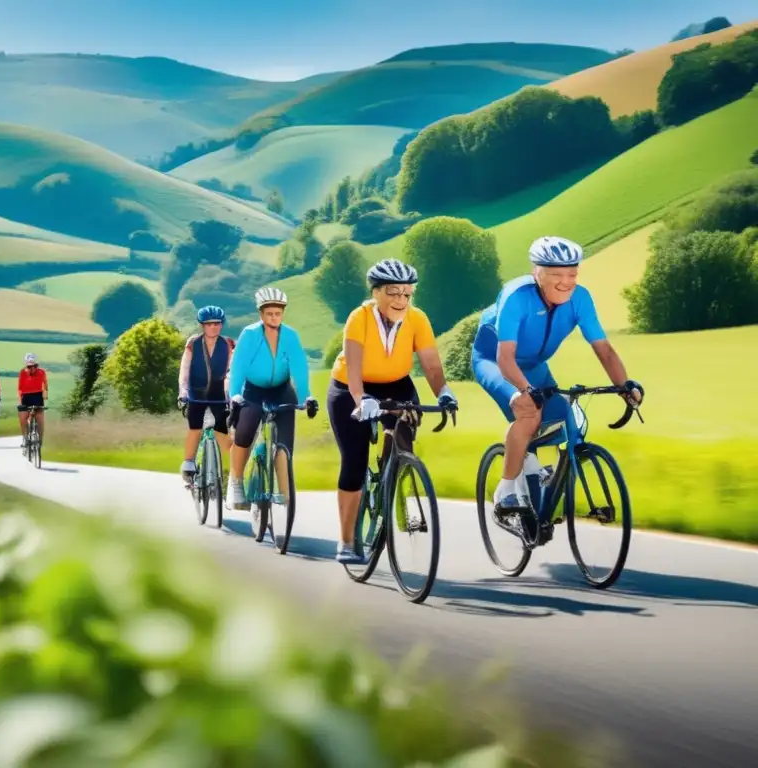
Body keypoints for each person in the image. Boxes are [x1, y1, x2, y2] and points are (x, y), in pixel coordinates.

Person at [471, 236, 643, 511]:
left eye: (572, 274)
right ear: (536, 273)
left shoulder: (581, 299)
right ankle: (505, 491)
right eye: (556, 275)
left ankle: (530, 462)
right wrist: (526, 391)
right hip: (495, 361)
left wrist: (624, 386)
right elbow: (505, 358)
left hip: (535, 366)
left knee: (562, 416)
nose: (566, 281)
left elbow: (605, 350)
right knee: (529, 411)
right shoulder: (517, 296)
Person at [326, 258, 458, 564]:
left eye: (406, 294)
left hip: (397, 385)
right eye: (393, 292)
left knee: (403, 437)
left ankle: (393, 478)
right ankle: (346, 541)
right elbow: (355, 370)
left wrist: (444, 392)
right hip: (350, 388)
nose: (400, 300)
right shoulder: (359, 318)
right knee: (354, 461)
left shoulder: (417, 319)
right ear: (376, 293)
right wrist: (362, 400)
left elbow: (431, 363)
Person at [226, 286, 318, 509]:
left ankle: (285, 494)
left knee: (284, 444)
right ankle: (235, 481)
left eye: (278, 313)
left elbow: (299, 368)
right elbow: (238, 368)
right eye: (269, 313)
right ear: (261, 314)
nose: (274, 317)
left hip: (281, 389)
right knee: (245, 430)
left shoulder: (290, 336)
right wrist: (235, 395)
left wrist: (306, 397)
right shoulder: (249, 335)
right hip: (253, 390)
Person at [176, 305, 236, 479]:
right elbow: (184, 370)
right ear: (202, 325)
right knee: (195, 427)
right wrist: (183, 392)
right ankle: (189, 462)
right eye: (209, 324)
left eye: (217, 323)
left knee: (223, 430)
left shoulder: (228, 344)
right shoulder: (193, 343)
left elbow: (232, 371)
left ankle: (230, 473)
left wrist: (231, 394)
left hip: (219, 394)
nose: (214, 327)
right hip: (196, 393)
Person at [17, 352, 48, 447]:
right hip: (26, 397)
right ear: (27, 366)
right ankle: (25, 438)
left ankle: (41, 441)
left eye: (34, 366)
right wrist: (20, 400)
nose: (32, 368)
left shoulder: (42, 372)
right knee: (23, 418)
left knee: (40, 419)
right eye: (29, 367)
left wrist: (45, 395)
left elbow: (45, 385)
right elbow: (20, 388)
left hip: (38, 396)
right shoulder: (22, 372)